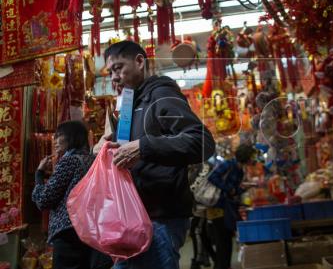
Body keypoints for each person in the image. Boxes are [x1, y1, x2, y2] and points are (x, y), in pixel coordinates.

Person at [97, 40, 215, 269]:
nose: (113, 77)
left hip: (159, 219)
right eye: (110, 71)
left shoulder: (161, 96)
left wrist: (144, 146)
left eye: (119, 68)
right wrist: (106, 148)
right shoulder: (130, 104)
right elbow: (128, 154)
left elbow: (202, 142)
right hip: (133, 217)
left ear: (140, 61)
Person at [32, 121, 111, 269]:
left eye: (59, 135)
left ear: (72, 137)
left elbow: (43, 200)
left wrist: (39, 173)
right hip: (89, 230)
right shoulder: (92, 160)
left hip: (68, 232)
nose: (55, 140)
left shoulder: (69, 161)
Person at [207, 144, 256, 269]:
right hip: (218, 206)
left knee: (226, 240)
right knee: (222, 241)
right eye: (252, 156)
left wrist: (243, 188)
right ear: (246, 157)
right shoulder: (229, 164)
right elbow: (212, 177)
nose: (253, 159)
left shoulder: (239, 169)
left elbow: (234, 190)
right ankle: (222, 266)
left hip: (227, 207)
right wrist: (229, 189)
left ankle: (224, 265)